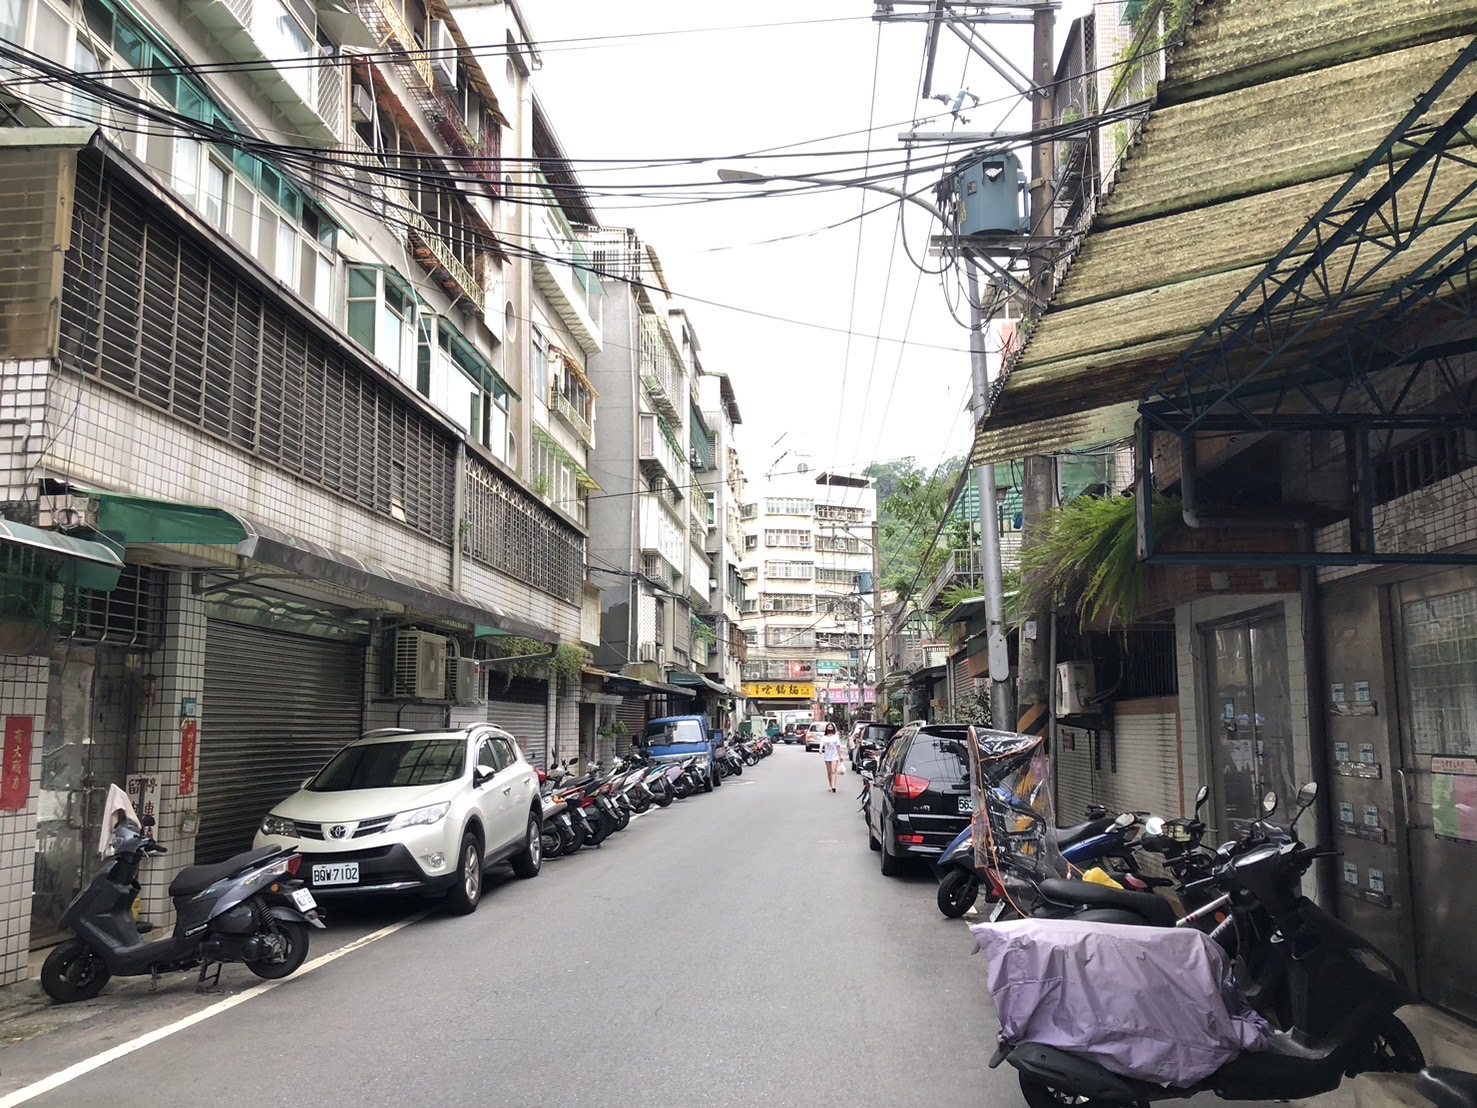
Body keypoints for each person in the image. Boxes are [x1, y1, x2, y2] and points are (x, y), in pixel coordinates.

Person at [819, 722, 843, 791]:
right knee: (829, 772)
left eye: (831, 727)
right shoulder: (824, 737)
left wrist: (840, 756)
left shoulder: (836, 737)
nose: (830, 728)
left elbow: (838, 747)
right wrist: (820, 749)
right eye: (829, 727)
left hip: (834, 755)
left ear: (833, 728)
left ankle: (833, 786)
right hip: (827, 756)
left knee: (833, 771)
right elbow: (821, 744)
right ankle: (830, 785)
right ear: (826, 728)